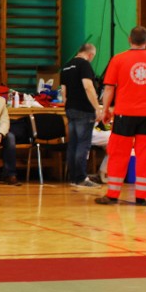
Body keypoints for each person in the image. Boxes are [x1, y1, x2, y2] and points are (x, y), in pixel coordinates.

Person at [97, 26, 146, 205]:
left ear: (130, 39)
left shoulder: (118, 59)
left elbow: (109, 88)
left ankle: (113, 195)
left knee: (118, 153)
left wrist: (105, 110)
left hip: (125, 114)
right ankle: (142, 197)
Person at [60, 43, 103, 188]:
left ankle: (73, 177)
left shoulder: (66, 66)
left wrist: (68, 106)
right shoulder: (84, 65)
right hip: (84, 110)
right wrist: (97, 107)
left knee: (73, 144)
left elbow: (63, 92)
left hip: (70, 109)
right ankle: (81, 178)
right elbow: (88, 87)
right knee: (83, 145)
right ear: (90, 55)